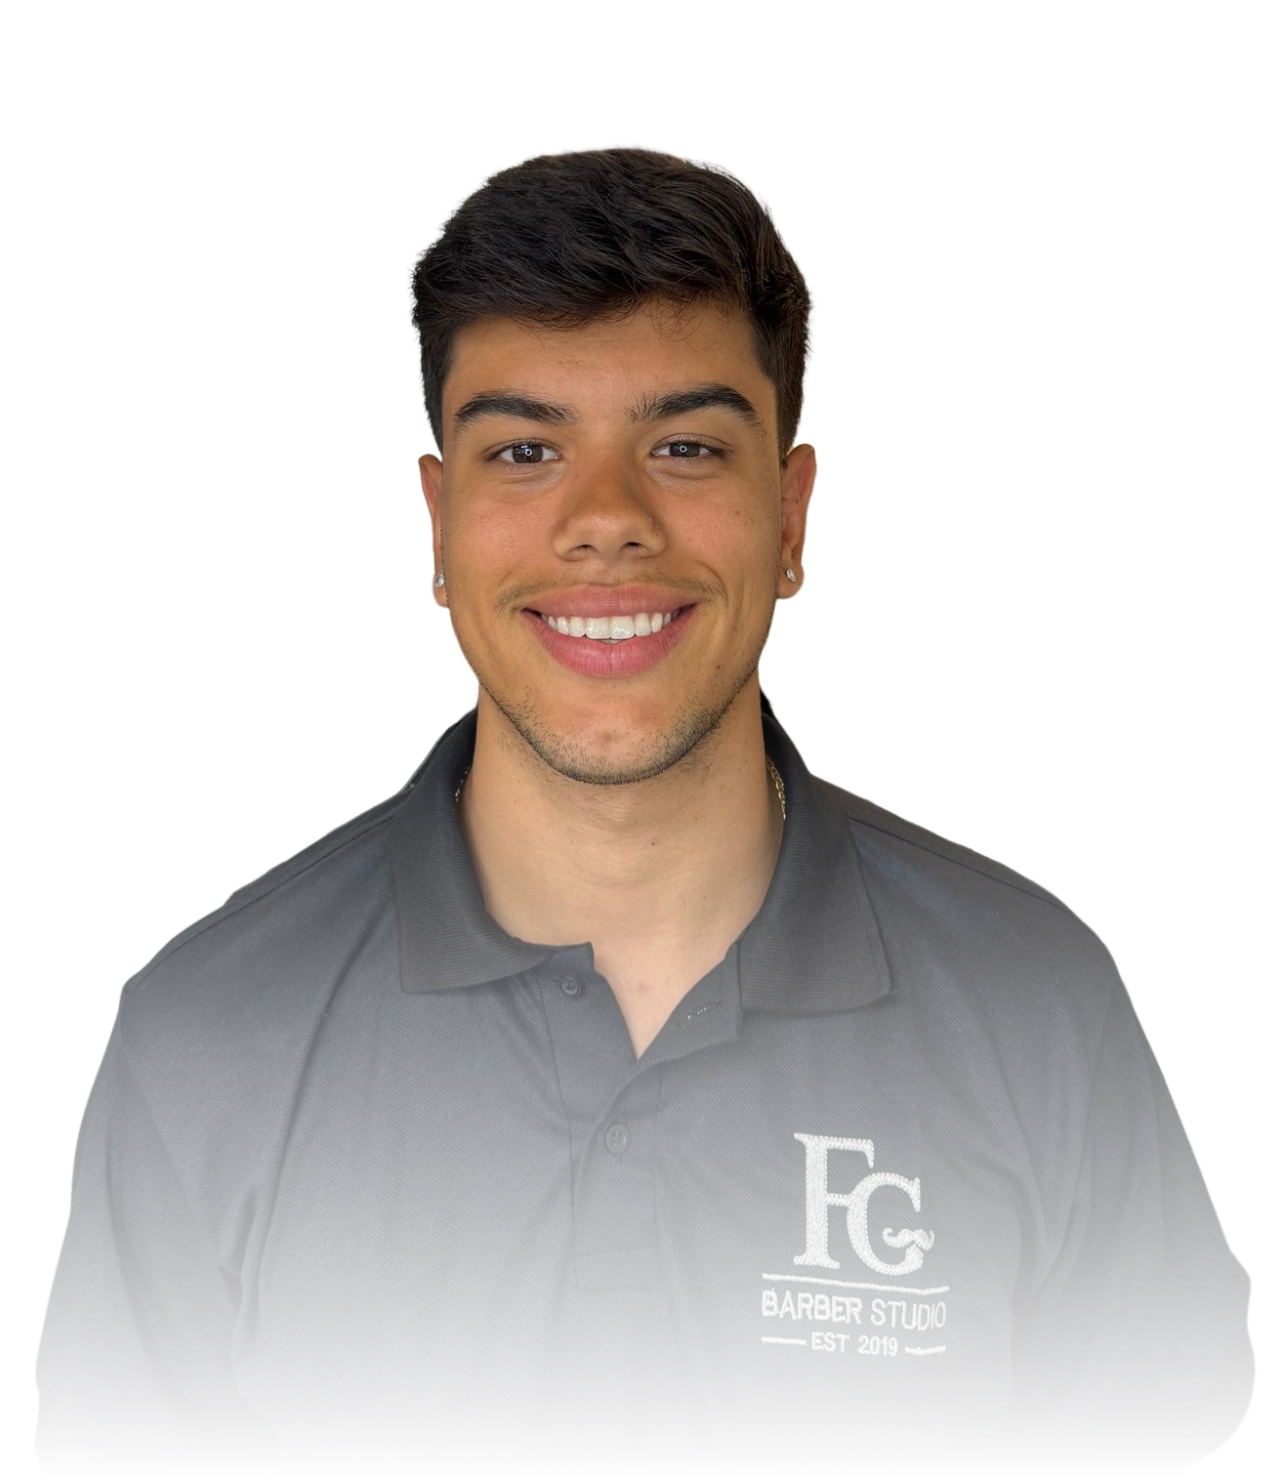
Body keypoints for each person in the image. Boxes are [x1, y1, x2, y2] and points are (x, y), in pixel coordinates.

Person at [35, 144, 1250, 1472]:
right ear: (436, 525)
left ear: (791, 518)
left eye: (684, 446)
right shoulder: (207, 1034)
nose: (606, 519)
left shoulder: (1037, 1006)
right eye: (524, 449)